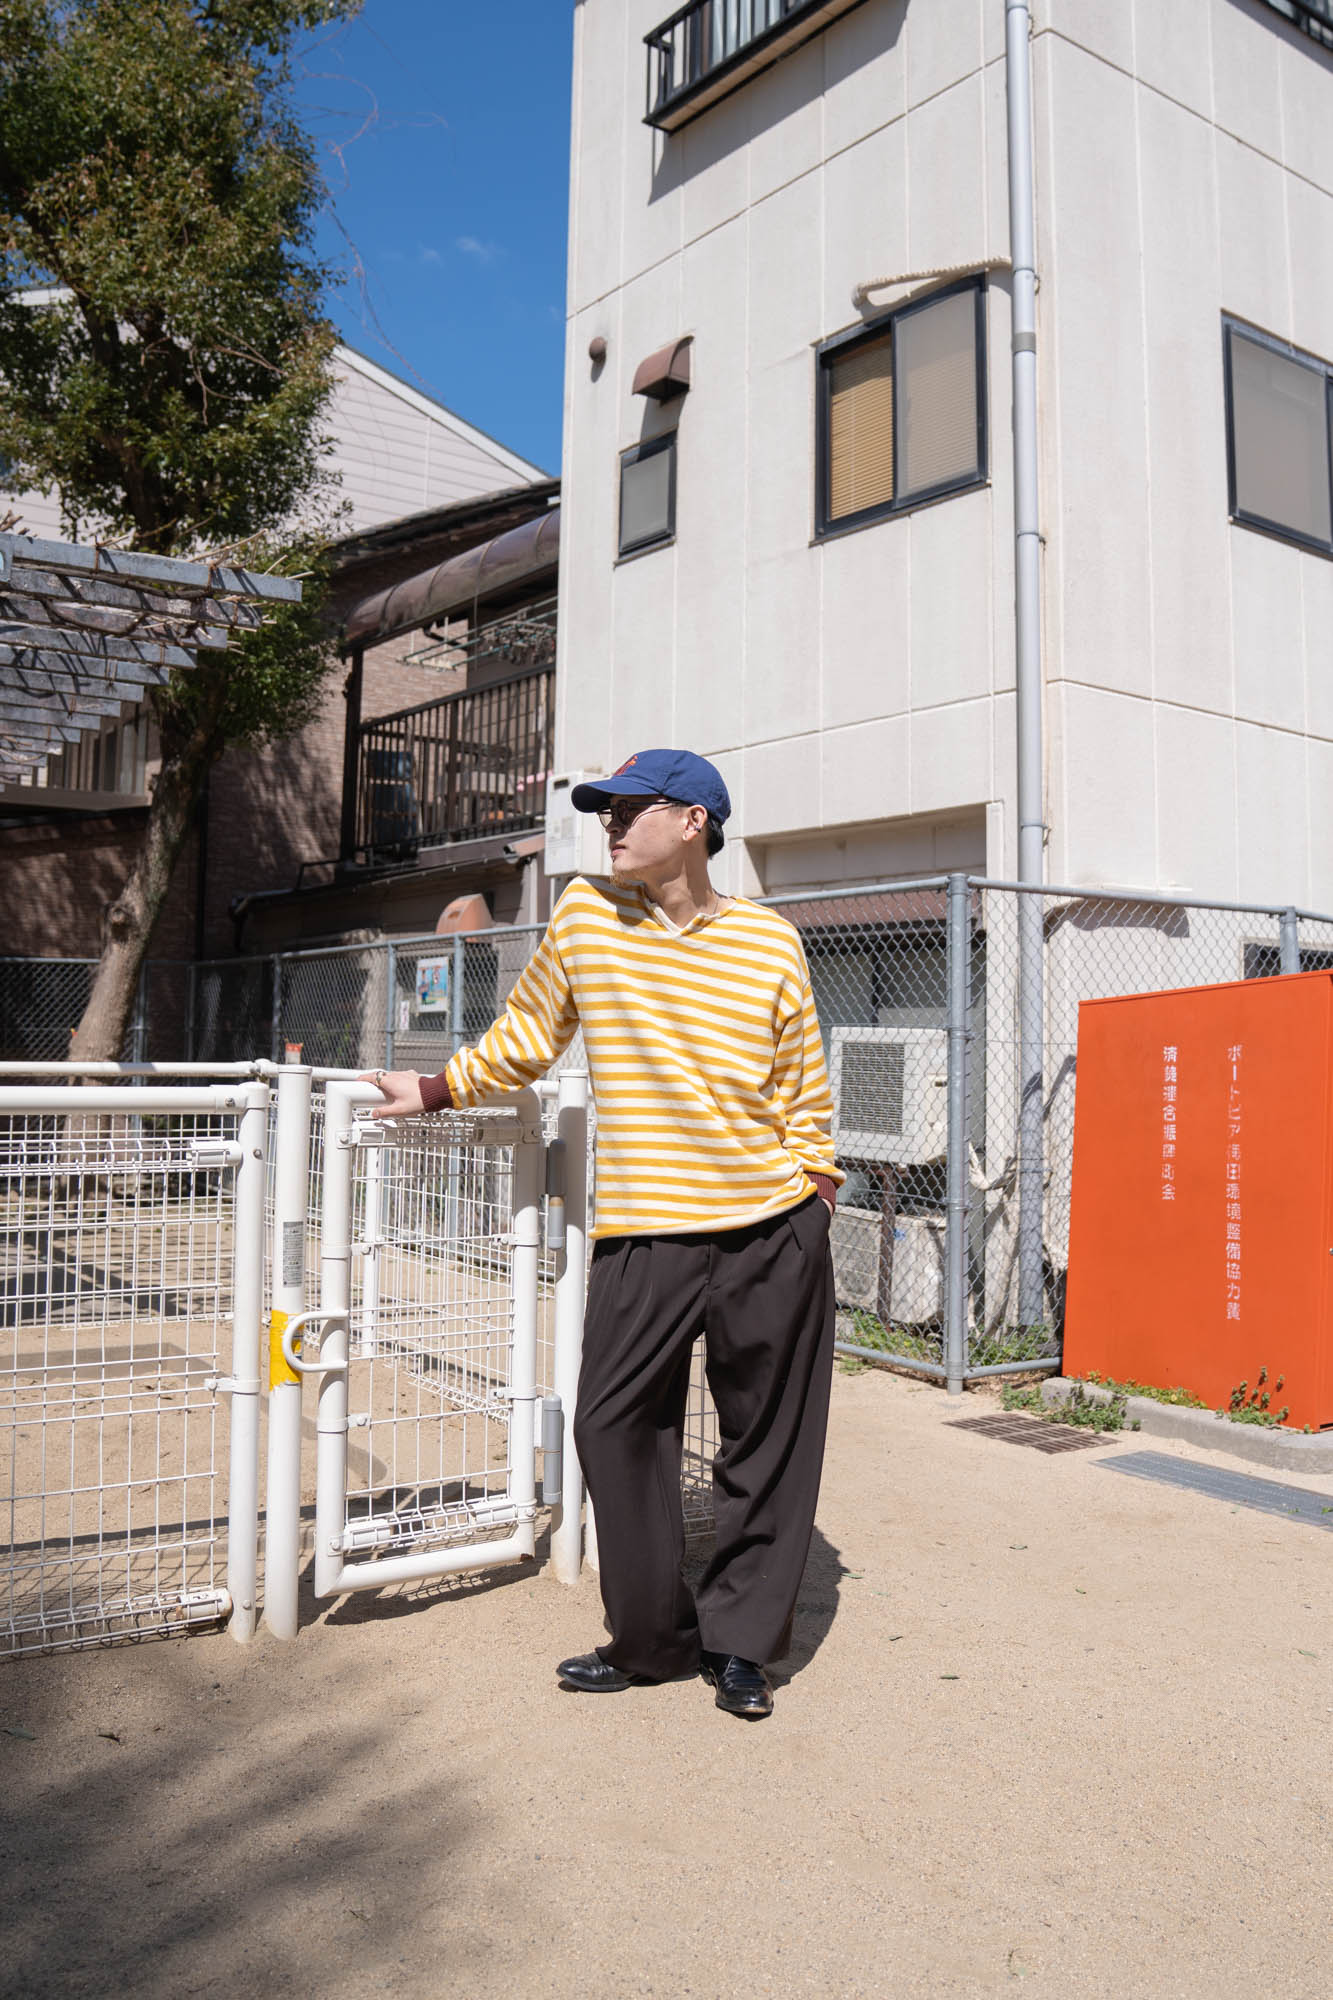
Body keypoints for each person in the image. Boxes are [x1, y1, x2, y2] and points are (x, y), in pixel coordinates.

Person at [363, 748, 841, 1721]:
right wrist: (438, 1086)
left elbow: (802, 1077)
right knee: (610, 1425)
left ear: (694, 821)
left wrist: (818, 1189)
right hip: (643, 1230)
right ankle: (652, 1638)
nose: (610, 825)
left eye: (629, 809)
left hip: (771, 1224)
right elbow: (528, 1035)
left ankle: (742, 1646)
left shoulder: (768, 939)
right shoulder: (586, 916)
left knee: (766, 1441)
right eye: (603, 811)